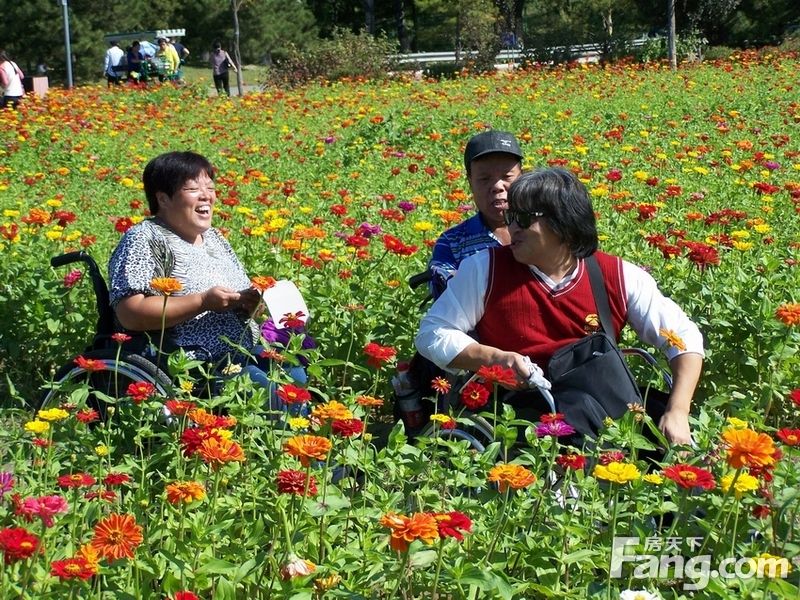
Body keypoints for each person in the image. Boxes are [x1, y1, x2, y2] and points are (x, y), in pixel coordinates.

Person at [415, 167, 704, 446]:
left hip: (603, 404)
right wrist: (494, 358)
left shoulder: (617, 276)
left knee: (668, 430)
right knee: (578, 411)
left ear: (563, 223)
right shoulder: (484, 270)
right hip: (518, 412)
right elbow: (433, 333)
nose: (511, 226)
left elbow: (684, 337)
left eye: (523, 218)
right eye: (511, 216)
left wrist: (678, 411)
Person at [108, 151, 306, 397]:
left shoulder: (214, 238)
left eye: (210, 188)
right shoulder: (145, 238)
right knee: (266, 389)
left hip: (239, 352)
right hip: (191, 364)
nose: (206, 196)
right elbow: (130, 313)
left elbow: (239, 296)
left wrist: (251, 302)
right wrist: (202, 302)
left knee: (294, 374)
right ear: (163, 198)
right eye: (192, 189)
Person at [428, 130, 523, 298]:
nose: (497, 186)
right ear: (470, 183)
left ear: (523, 178)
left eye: (507, 176)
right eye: (484, 179)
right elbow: (445, 296)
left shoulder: (545, 228)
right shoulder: (452, 243)